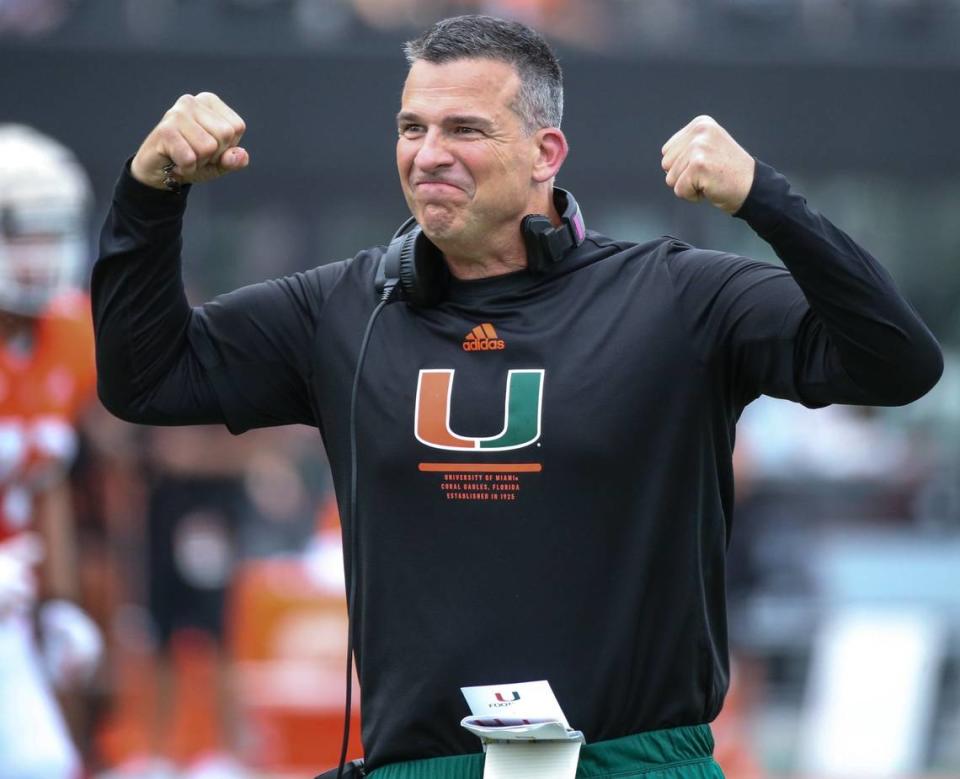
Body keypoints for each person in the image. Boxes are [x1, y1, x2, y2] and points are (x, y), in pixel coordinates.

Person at [91, 14, 942, 779]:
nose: (429, 153)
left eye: (465, 128)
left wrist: (767, 200)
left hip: (630, 761)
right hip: (421, 765)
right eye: (412, 127)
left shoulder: (675, 298)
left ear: (545, 153)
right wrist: (150, 192)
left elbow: (896, 363)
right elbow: (148, 377)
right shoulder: (346, 306)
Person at [0, 124, 103, 779]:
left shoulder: (68, 332)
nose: (37, 257)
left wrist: (62, 601)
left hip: (9, 605)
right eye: (18, 235)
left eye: (49, 234)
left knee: (42, 762)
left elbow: (47, 478)